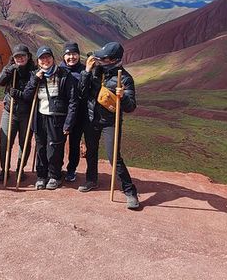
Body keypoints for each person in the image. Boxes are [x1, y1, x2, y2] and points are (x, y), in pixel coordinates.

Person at [77, 42, 140, 209]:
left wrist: (123, 97)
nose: (99, 60)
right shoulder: (95, 72)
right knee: (91, 151)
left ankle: (129, 191)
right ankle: (92, 180)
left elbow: (131, 107)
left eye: (103, 58)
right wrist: (86, 72)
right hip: (91, 119)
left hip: (110, 122)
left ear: (114, 60)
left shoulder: (124, 78)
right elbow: (81, 92)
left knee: (114, 157)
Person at [22, 46, 78, 190]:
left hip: (57, 118)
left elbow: (73, 100)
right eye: (42, 58)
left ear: (53, 58)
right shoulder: (35, 74)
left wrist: (68, 123)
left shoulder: (64, 75)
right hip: (39, 117)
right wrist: (35, 79)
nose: (45, 60)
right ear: (38, 61)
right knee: (40, 147)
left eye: (48, 57)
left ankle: (55, 175)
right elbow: (27, 96)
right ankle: (41, 176)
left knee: (54, 148)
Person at [0, 44, 36, 183]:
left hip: (27, 113)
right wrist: (10, 69)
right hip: (10, 111)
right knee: (4, 143)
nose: (20, 58)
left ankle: (20, 169)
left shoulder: (34, 71)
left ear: (28, 56)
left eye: (22, 55)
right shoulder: (10, 69)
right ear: (13, 58)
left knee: (24, 143)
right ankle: (4, 169)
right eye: (17, 56)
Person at [59, 42, 88, 182]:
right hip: (60, 114)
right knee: (58, 142)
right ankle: (57, 167)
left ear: (78, 55)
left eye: (74, 54)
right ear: (64, 56)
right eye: (68, 54)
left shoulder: (84, 70)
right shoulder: (58, 70)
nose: (71, 57)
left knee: (74, 144)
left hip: (79, 114)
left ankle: (71, 170)